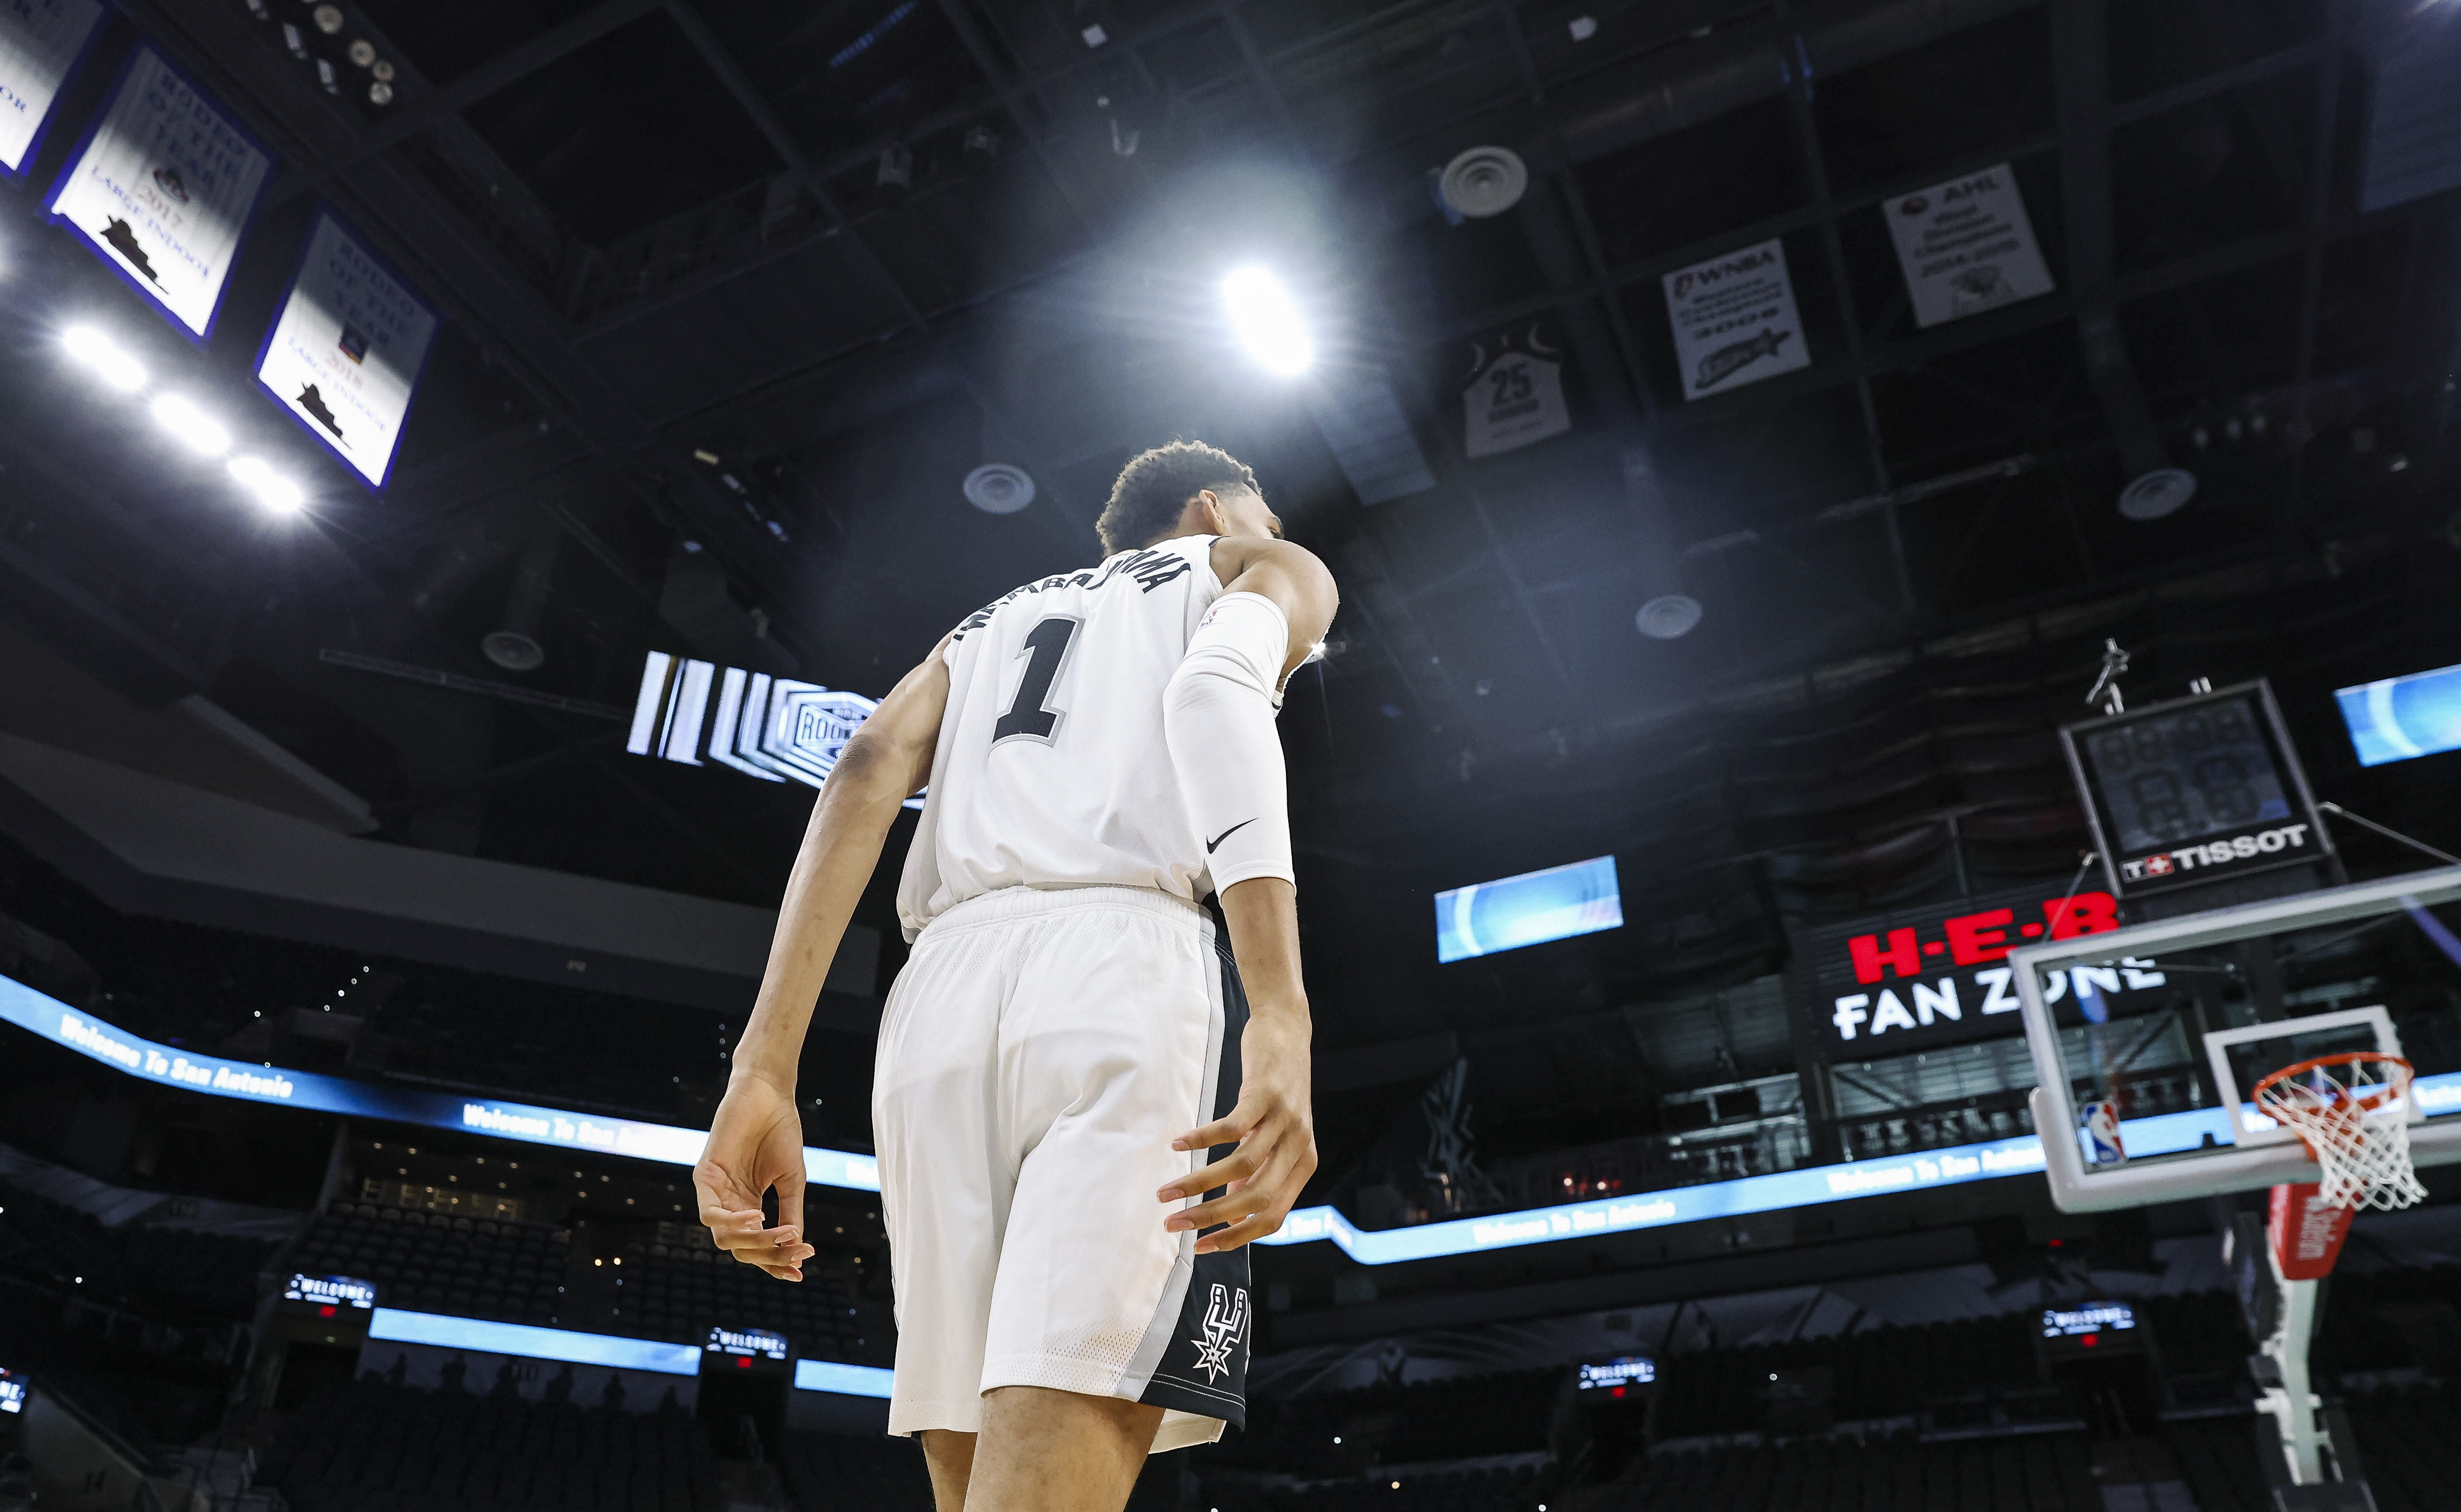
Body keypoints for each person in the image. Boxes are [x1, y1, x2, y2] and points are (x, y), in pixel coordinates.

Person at [692, 441, 1338, 1512]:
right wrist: (1278, 1008)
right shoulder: (1252, 566)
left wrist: (761, 1069)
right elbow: (1214, 692)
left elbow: (861, 769)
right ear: (1212, 509)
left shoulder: (985, 625)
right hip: (1120, 975)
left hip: (937, 1000)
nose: (1276, 537)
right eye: (1265, 519)